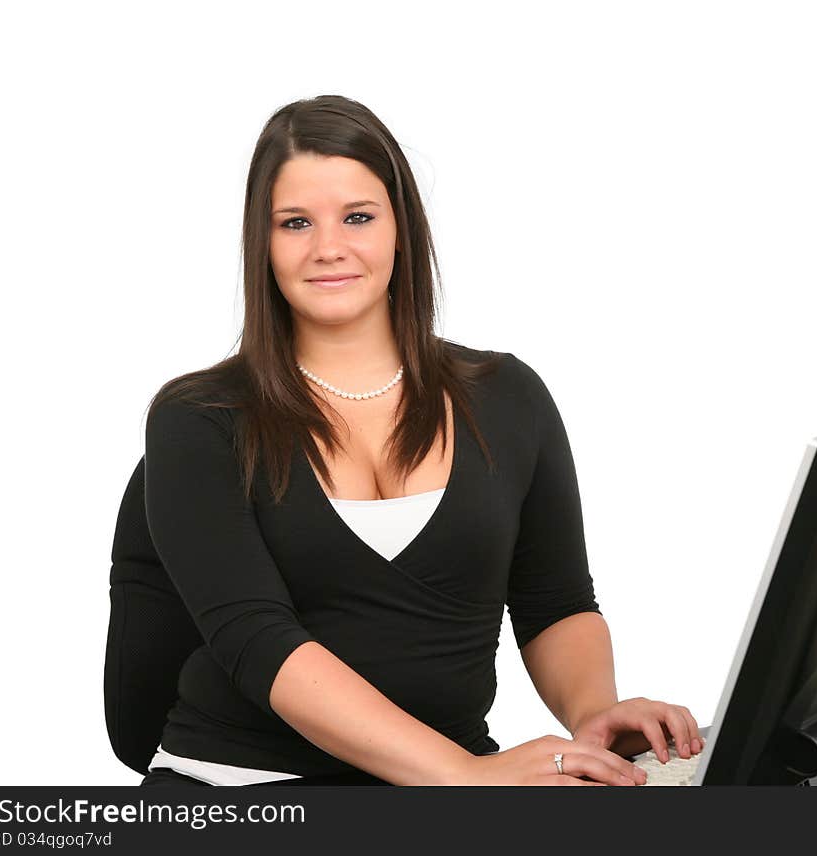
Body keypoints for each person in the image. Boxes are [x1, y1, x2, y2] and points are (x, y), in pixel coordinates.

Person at [135, 94, 704, 787]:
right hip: (240, 784)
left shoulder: (508, 397)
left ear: (402, 228)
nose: (329, 247)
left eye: (358, 217)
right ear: (263, 242)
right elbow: (260, 642)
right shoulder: (199, 419)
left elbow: (556, 604)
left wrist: (596, 715)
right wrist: (466, 777)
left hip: (446, 782)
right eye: (295, 223)